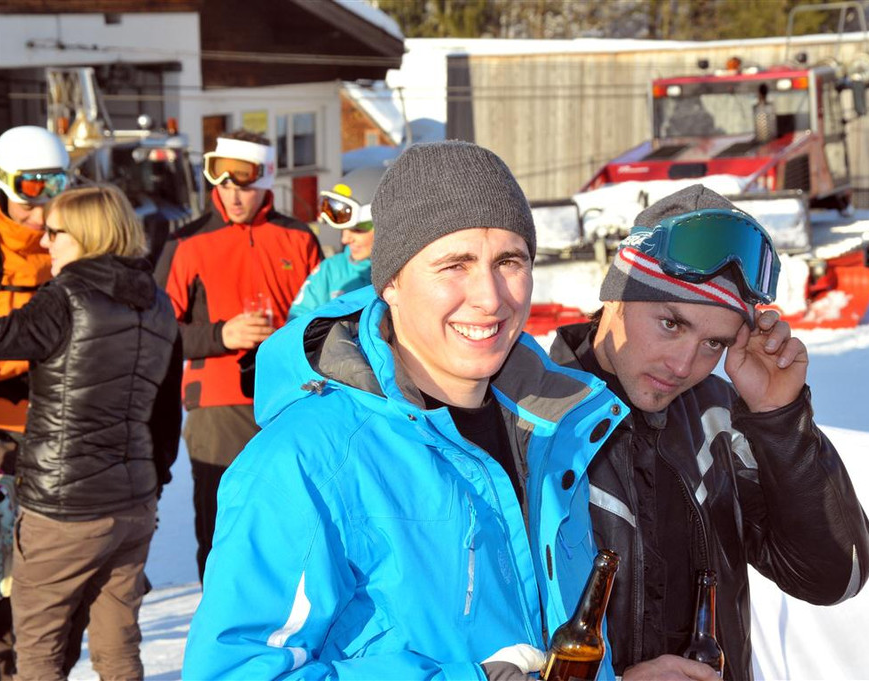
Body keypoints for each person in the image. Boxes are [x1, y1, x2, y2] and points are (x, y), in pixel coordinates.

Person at [182, 141, 630, 680]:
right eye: (455, 264)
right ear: (390, 282)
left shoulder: (556, 430)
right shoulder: (308, 460)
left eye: (509, 262)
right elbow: (234, 671)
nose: (490, 297)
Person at [549, 184, 869, 681]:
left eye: (713, 344)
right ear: (617, 292)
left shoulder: (716, 419)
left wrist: (779, 417)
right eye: (670, 324)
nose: (683, 365)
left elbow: (834, 576)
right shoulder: (531, 423)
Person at [0, 184, 182, 681]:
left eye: (54, 233)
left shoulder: (66, 298)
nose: (44, 243)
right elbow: (166, 414)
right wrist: (152, 484)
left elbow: (3, 338)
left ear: (86, 234)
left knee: (38, 651)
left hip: (63, 509)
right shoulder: (158, 303)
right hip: (133, 504)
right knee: (118, 649)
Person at [154, 129, 321, 581]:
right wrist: (221, 334)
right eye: (222, 182)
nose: (232, 194)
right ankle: (218, 610)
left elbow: (323, 321)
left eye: (243, 184)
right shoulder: (185, 242)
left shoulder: (298, 238)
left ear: (265, 178)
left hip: (291, 398)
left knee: (289, 519)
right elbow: (155, 332)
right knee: (222, 522)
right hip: (217, 401)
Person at [0, 124, 71, 680]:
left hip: (55, 426)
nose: (41, 209)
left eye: (54, 186)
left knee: (43, 568)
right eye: (29, 189)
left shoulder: (71, 237)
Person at [288, 166, 383, 319]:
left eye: (358, 230)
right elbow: (297, 322)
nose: (345, 239)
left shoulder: (410, 273)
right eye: (343, 229)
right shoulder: (329, 271)